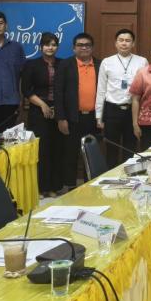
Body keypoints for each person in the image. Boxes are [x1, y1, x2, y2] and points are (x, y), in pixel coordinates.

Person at [54, 33, 101, 190]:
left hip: (94, 118)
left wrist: (102, 117)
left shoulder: (100, 64)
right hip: (72, 118)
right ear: (74, 48)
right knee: (70, 153)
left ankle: (90, 185)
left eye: (87, 45)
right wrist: (61, 118)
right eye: (80, 45)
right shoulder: (65, 65)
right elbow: (58, 93)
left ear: (92, 48)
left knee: (91, 153)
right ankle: (70, 186)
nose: (84, 47)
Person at [96, 29, 148, 168]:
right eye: (121, 40)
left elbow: (146, 89)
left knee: (130, 148)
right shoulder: (107, 62)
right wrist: (98, 116)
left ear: (133, 43)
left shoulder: (142, 61)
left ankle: (129, 178)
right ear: (116, 43)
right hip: (112, 111)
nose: (124, 43)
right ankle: (111, 178)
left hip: (133, 111)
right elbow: (101, 90)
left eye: (127, 40)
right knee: (111, 149)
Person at [21, 32, 62, 197]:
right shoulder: (32, 65)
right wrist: (43, 105)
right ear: (40, 47)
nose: (50, 47)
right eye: (47, 44)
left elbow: (67, 88)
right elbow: (26, 90)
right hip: (38, 111)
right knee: (41, 149)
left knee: (56, 148)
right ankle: (39, 187)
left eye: (53, 44)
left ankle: (53, 187)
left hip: (59, 111)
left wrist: (58, 107)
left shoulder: (63, 64)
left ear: (57, 47)